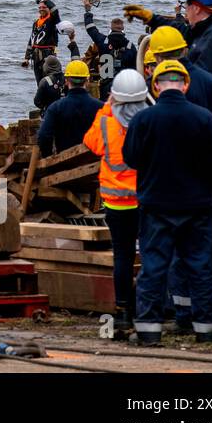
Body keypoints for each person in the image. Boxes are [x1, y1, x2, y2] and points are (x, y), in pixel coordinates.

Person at [145, 25, 212, 330]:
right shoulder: (211, 80)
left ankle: (186, 317)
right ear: (185, 49)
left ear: (159, 58)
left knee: (185, 253)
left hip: (190, 185)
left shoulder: (170, 93)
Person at [124, 61, 212, 345]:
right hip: (197, 206)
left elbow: (131, 158)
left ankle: (148, 330)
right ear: (185, 84)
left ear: (155, 86)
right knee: (200, 266)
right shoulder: (206, 119)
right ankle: (206, 330)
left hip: (157, 205)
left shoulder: (143, 120)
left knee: (154, 267)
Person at [84, 69, 151, 335]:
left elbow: (90, 143)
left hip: (116, 204)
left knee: (122, 258)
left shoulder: (105, 123)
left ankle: (123, 314)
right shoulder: (148, 120)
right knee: (149, 255)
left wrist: (105, 109)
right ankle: (148, 310)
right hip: (146, 200)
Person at [126, 0, 212, 96]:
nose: (185, 12)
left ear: (196, 8)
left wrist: (158, 81)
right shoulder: (210, 27)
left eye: (186, 6)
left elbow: (199, 76)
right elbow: (182, 30)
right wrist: (152, 19)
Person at [36, 60, 101, 157]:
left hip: (64, 163)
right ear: (87, 81)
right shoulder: (100, 107)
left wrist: (48, 157)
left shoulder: (55, 108)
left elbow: (43, 136)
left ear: (66, 81)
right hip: (93, 161)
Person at [83, 0, 137, 101]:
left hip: (105, 86)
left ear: (111, 30)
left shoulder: (102, 42)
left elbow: (90, 28)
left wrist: (88, 11)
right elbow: (135, 69)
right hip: (124, 87)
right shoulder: (130, 47)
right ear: (123, 30)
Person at [23, 0, 61, 84]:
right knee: (39, 82)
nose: (41, 9)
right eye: (39, 7)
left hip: (48, 55)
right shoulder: (36, 23)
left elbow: (56, 11)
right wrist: (26, 58)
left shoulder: (52, 21)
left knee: (49, 82)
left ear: (48, 9)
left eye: (44, 7)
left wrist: (45, 0)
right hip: (36, 56)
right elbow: (31, 39)